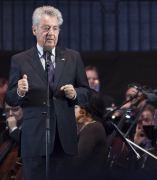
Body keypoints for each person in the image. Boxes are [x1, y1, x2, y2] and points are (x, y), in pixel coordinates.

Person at [5, 6, 91, 180]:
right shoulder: (20, 60)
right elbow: (10, 98)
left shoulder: (73, 57)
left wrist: (75, 94)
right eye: (46, 28)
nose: (51, 33)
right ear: (34, 30)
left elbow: (87, 93)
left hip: (63, 141)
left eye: (55, 28)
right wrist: (20, 92)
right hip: (34, 141)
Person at [74, 90, 108, 180]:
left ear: (89, 110)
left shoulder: (92, 128)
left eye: (76, 107)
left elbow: (76, 161)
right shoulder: (85, 127)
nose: (73, 110)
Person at [130, 104, 157, 180]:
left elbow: (152, 172)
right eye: (140, 121)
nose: (143, 124)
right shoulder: (140, 142)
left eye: (147, 120)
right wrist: (135, 147)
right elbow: (131, 167)